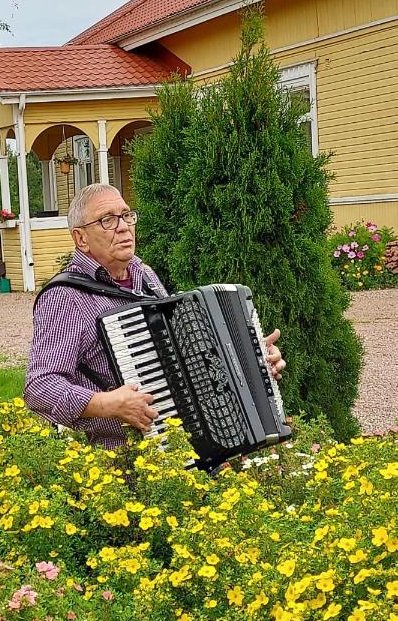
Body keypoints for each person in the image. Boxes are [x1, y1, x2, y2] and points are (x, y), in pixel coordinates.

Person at [24, 184, 286, 447]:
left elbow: (182, 356)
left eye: (127, 215)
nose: (124, 226)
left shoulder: (144, 274)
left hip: (182, 448)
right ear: (81, 238)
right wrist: (107, 404)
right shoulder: (65, 297)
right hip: (124, 460)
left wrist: (253, 359)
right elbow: (40, 387)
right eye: (107, 220)